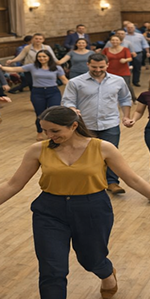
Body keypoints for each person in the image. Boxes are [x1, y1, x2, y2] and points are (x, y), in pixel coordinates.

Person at [0, 106, 150, 299]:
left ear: (73, 126)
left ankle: (107, 273)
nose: (49, 135)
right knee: (52, 270)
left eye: (55, 130)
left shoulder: (102, 147)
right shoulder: (37, 150)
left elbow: (134, 180)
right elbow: (13, 185)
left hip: (93, 209)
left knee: (92, 260)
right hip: (49, 211)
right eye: (45, 130)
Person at [61, 54, 132, 194]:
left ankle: (112, 182)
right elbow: (67, 101)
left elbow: (125, 99)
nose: (98, 69)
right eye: (94, 67)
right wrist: (71, 109)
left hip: (110, 123)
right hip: (85, 125)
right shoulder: (75, 82)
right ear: (88, 64)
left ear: (107, 65)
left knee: (112, 154)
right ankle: (87, 181)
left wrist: (126, 117)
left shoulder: (118, 81)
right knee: (85, 154)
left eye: (101, 67)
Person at [1, 50, 69, 141]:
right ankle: (39, 132)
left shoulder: (56, 68)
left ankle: (54, 132)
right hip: (38, 92)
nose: (42, 58)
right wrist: (1, 67)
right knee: (40, 114)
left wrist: (76, 88)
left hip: (53, 92)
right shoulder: (33, 66)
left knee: (54, 113)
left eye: (44, 56)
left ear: (49, 57)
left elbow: (64, 80)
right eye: (39, 56)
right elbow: (15, 69)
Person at [102, 33, 135, 101]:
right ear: (110, 42)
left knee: (126, 85)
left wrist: (125, 60)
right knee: (109, 86)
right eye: (113, 40)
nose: (115, 42)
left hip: (123, 70)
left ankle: (133, 98)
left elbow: (130, 58)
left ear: (120, 41)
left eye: (116, 40)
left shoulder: (125, 49)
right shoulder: (106, 50)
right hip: (110, 71)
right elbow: (102, 59)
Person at [123, 22, 150, 87]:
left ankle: (136, 81)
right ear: (126, 28)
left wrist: (148, 52)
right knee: (126, 68)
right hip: (126, 54)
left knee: (137, 68)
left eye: (131, 27)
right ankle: (126, 83)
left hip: (138, 53)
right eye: (128, 28)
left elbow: (145, 44)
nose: (130, 29)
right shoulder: (123, 35)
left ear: (134, 28)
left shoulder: (140, 35)